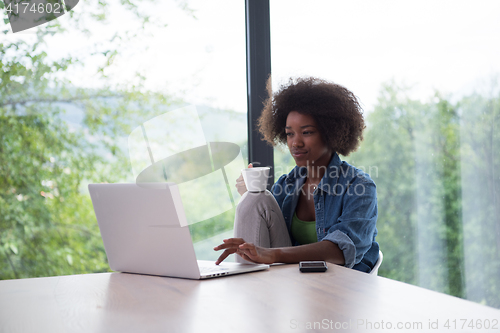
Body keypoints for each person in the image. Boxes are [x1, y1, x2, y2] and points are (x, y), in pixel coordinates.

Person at [214, 77, 379, 273]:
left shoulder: (359, 186)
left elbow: (341, 251)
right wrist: (249, 193)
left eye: (307, 132)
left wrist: (273, 254)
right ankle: (248, 288)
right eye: (290, 134)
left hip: (340, 283)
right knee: (254, 198)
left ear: (331, 132)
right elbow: (262, 229)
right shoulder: (288, 184)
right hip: (293, 281)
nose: (295, 143)